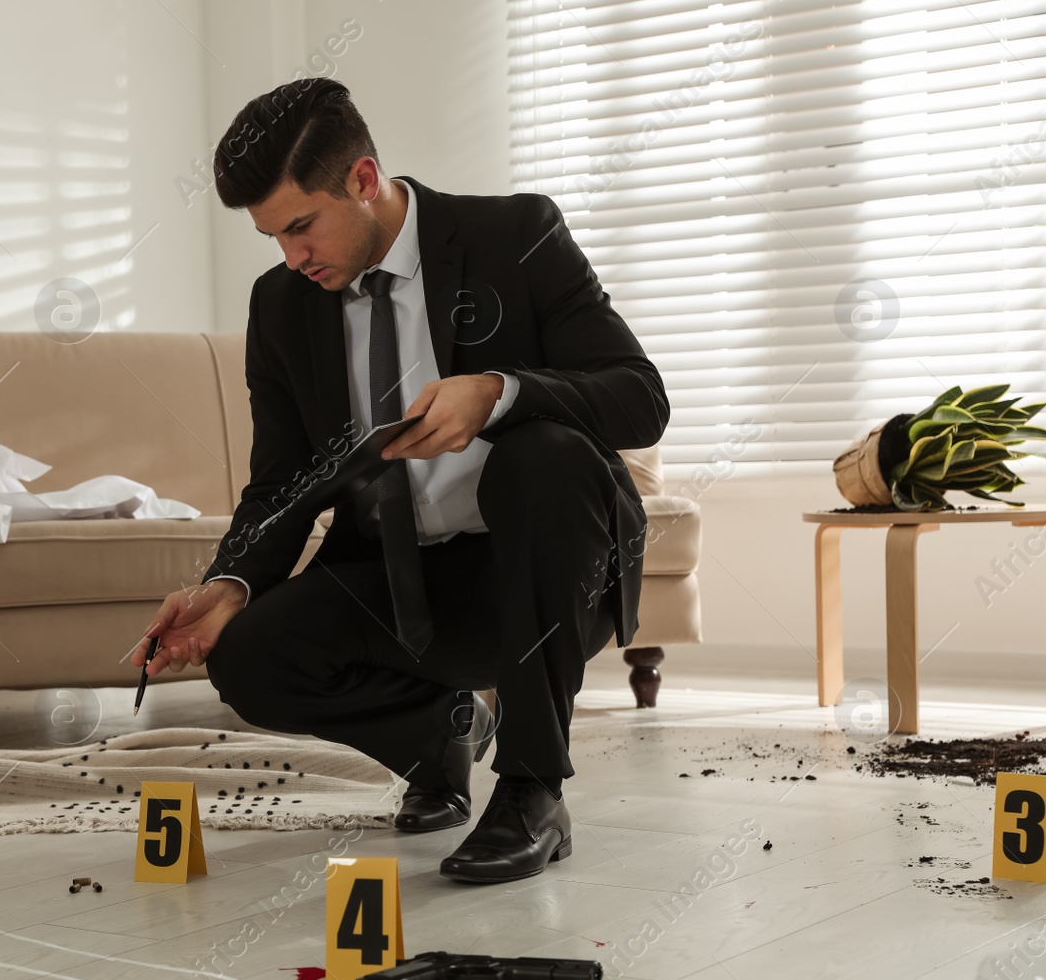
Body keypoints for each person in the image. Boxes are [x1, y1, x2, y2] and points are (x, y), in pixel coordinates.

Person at [130, 78, 668, 884]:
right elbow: (279, 478)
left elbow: (639, 397)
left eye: (302, 227)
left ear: (364, 179)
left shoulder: (515, 233)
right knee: (245, 657)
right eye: (274, 236)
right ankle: (441, 732)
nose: (294, 257)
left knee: (542, 452)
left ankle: (530, 788)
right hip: (403, 582)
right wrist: (231, 581)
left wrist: (499, 392)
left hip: (552, 572)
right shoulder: (280, 305)